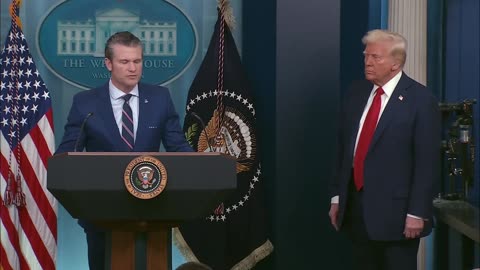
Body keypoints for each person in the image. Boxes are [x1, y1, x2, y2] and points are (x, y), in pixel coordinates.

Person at [55, 31, 192, 269]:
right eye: (124, 62)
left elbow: (178, 146)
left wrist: (202, 169)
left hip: (153, 212)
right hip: (101, 215)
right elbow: (67, 155)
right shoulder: (85, 103)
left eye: (137, 61)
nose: (133, 68)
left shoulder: (160, 98)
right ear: (108, 64)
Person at [328, 29, 441, 270]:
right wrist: (338, 197)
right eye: (366, 56)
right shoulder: (356, 93)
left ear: (395, 63)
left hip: (398, 217)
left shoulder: (420, 100)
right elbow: (343, 150)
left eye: (376, 57)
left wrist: (417, 212)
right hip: (356, 212)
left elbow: (427, 162)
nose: (368, 62)